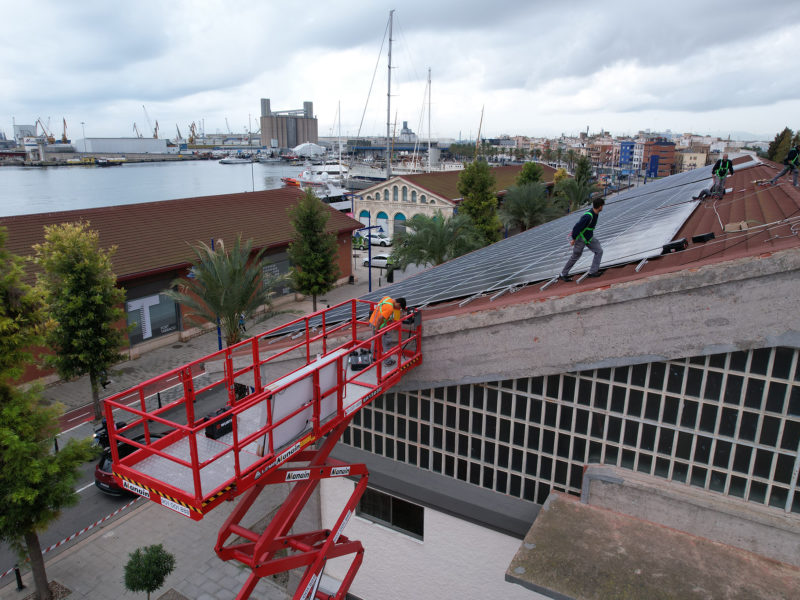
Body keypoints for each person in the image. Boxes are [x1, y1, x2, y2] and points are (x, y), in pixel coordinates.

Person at [560, 198, 605, 281]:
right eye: (602, 206)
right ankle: (563, 274)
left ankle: (593, 272)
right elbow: (577, 227)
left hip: (589, 237)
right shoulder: (588, 216)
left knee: (599, 251)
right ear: (599, 206)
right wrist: (574, 239)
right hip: (581, 238)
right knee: (576, 255)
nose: (603, 207)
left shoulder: (595, 213)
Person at [368, 296, 407, 366]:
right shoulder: (390, 308)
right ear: (398, 304)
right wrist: (377, 330)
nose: (398, 309)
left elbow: (382, 311)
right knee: (387, 341)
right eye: (399, 308)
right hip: (378, 325)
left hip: (373, 321)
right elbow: (380, 318)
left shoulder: (386, 298)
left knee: (374, 341)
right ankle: (387, 361)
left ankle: (373, 358)